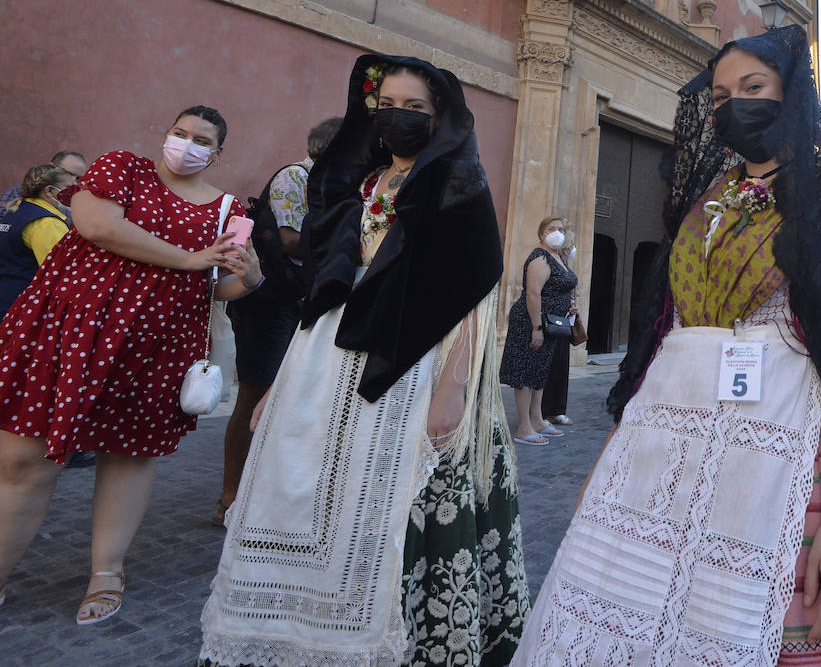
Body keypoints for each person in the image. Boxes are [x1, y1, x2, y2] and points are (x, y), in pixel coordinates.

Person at [513, 26, 821, 665]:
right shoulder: (704, 204)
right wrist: (612, 462)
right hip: (665, 455)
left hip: (791, 450)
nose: (733, 107)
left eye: (753, 88)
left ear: (791, 95)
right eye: (720, 96)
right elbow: (664, 345)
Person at [199, 54, 527, 665]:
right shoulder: (358, 185)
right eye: (389, 106)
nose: (399, 117)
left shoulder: (457, 183)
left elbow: (474, 292)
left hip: (416, 360)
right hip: (327, 364)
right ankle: (308, 633)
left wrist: (451, 388)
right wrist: (285, 382)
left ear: (442, 118)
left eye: (415, 108)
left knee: (402, 507)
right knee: (319, 501)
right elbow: (325, 289)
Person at [0, 108, 259, 624]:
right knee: (22, 459)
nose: (186, 144)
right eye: (180, 133)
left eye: (201, 139)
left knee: (127, 455)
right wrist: (189, 258)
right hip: (72, 330)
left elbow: (220, 285)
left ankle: (107, 572)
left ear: (218, 152)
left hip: (157, 346)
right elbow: (97, 226)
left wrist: (250, 277)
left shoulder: (228, 208)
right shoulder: (124, 168)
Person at [212, 116, 343, 527]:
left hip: (297, 299)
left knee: (287, 397)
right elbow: (289, 239)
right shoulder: (295, 177)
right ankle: (230, 499)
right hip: (266, 300)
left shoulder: (326, 186)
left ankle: (263, 493)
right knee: (255, 393)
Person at [500, 216, 578, 445]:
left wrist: (568, 305)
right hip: (530, 321)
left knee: (540, 371)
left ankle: (537, 419)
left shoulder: (560, 257)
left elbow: (560, 288)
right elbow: (533, 294)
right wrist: (537, 328)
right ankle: (524, 427)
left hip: (551, 323)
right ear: (541, 234)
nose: (557, 232)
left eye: (561, 229)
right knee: (525, 371)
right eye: (551, 229)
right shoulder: (540, 257)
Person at [0, 164, 75, 318]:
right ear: (49, 191)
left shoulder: (16, 211)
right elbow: (60, 272)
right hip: (21, 306)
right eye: (68, 188)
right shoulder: (47, 222)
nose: (73, 193)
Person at [541, 228, 579, 427]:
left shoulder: (565, 266)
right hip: (550, 321)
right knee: (548, 366)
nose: (574, 248)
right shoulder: (549, 262)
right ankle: (544, 411)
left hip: (563, 322)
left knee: (561, 366)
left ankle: (557, 409)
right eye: (572, 244)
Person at [0, 151, 88, 225]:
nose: (72, 182)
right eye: (68, 173)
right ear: (51, 167)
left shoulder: (76, 204)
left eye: (78, 178)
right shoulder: (15, 194)